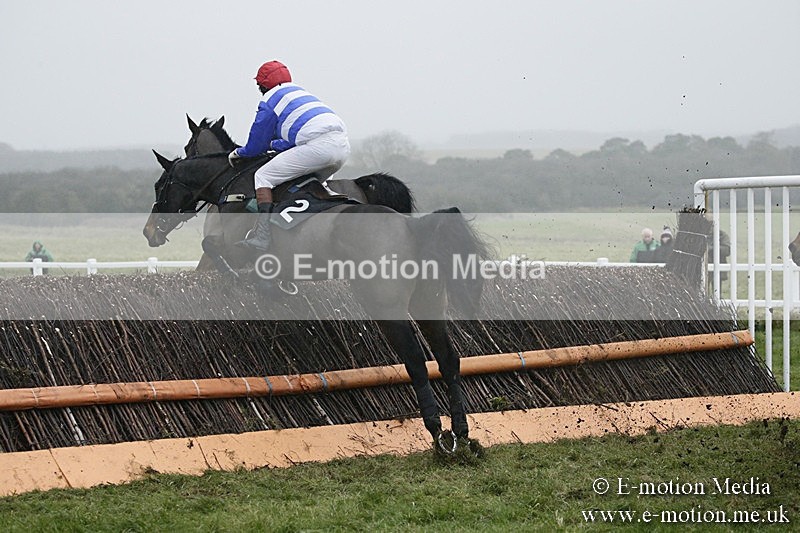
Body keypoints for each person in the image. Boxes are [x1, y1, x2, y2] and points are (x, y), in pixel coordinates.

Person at [229, 60, 350, 252]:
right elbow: (289, 140)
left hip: (317, 148)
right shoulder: (301, 94)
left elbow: (255, 146)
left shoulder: (269, 101)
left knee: (263, 176)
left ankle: (262, 237)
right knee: (308, 179)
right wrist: (272, 145)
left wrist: (238, 152)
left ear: (262, 84)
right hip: (342, 149)